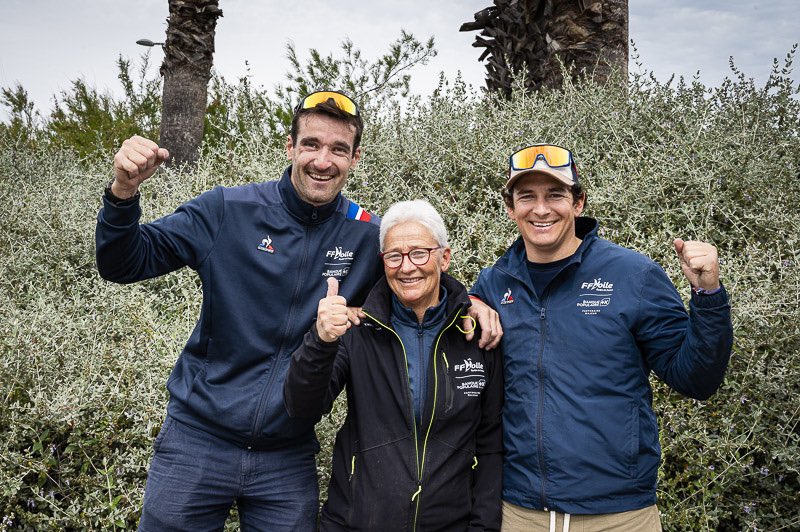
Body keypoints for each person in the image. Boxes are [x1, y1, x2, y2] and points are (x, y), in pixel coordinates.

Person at [96, 91, 501, 531]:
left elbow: (417, 274)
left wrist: (472, 302)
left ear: (355, 158)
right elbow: (123, 264)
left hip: (286, 458)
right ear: (290, 147)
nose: (322, 160)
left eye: (338, 149)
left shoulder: (366, 235)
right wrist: (123, 191)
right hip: (198, 441)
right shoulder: (228, 210)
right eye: (311, 144)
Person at [469, 144, 734, 531]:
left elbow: (696, 378)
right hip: (518, 513)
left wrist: (708, 296)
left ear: (578, 203)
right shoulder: (494, 282)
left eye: (555, 194)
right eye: (527, 196)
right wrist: (469, 302)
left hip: (619, 515)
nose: (541, 209)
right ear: (511, 208)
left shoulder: (633, 275)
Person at [284, 199, 504, 531]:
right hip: (357, 522)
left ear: (444, 258)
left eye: (419, 253)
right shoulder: (359, 330)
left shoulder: (474, 333)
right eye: (394, 256)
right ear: (383, 263)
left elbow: (490, 445)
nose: (407, 267)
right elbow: (302, 407)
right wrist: (321, 338)